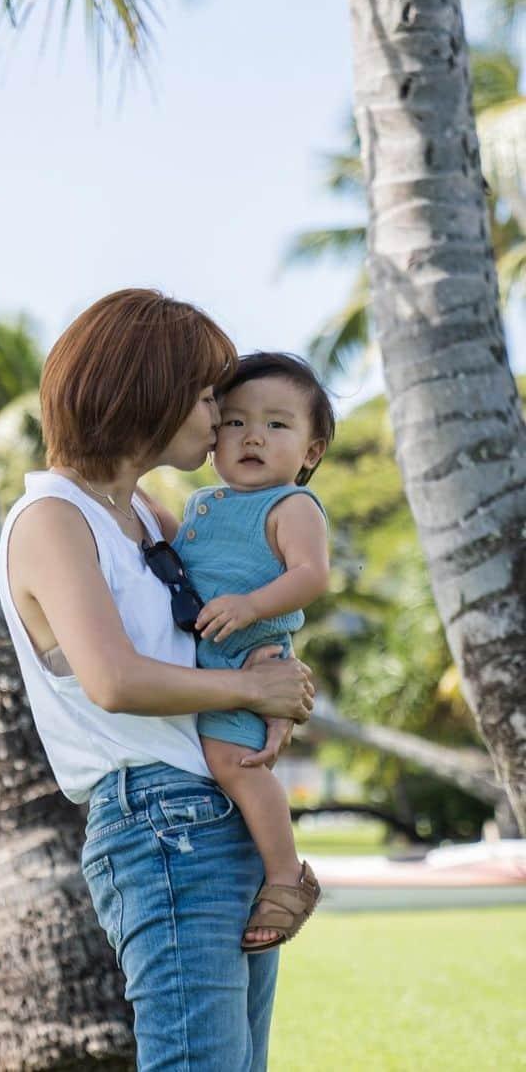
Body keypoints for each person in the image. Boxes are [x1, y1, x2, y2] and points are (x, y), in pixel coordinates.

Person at [0, 289, 316, 1072]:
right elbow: (114, 679)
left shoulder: (144, 513)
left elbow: (221, 619)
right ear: (153, 389)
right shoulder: (53, 520)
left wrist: (276, 671)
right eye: (209, 397)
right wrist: (250, 694)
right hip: (160, 820)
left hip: (217, 806)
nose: (222, 419)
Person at [177, 352, 335, 953]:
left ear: (310, 452)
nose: (252, 437)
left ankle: (286, 875)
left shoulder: (291, 505)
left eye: (276, 425)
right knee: (220, 759)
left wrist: (249, 604)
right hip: (214, 658)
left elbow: (310, 575)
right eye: (236, 422)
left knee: (235, 764)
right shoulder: (204, 504)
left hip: (249, 652)